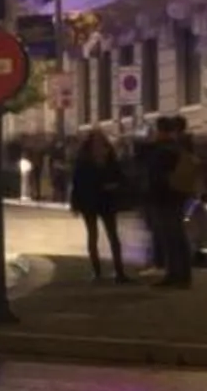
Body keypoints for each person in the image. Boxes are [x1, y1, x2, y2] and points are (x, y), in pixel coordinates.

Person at [68, 127, 131, 283]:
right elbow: (77, 182)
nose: (98, 146)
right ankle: (98, 272)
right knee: (94, 236)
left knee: (112, 236)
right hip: (91, 201)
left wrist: (115, 186)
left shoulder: (108, 158)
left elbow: (120, 177)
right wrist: (75, 202)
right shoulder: (85, 160)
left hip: (104, 200)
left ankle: (118, 272)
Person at [141, 114, 197, 287]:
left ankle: (175, 274)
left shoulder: (164, 150)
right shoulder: (178, 147)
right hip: (177, 195)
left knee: (171, 236)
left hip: (165, 197)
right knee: (177, 235)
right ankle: (181, 274)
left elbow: (155, 175)